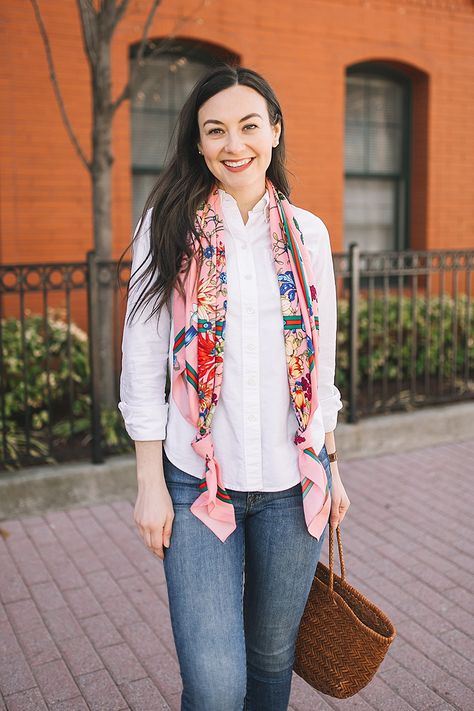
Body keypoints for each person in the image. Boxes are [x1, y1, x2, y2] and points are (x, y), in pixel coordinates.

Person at [118, 64, 350, 711]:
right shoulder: (166, 227)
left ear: (274, 130)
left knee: (273, 660)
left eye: (249, 126)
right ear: (198, 142)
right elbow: (141, 364)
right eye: (215, 130)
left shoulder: (309, 235)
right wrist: (148, 483)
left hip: (292, 485)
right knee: (217, 686)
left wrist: (333, 465)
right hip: (195, 487)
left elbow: (320, 362)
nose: (234, 144)